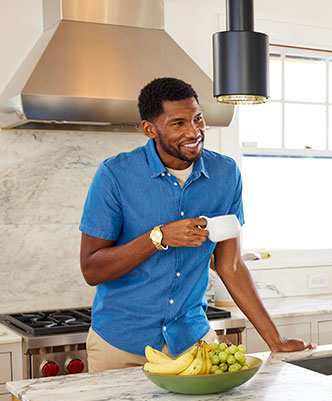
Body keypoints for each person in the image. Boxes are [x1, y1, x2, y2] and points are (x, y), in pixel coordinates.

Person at [79, 77, 314, 372]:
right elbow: (92, 269)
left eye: (198, 119)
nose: (194, 131)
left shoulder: (225, 174)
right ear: (150, 129)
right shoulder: (115, 175)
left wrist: (275, 339)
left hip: (193, 341)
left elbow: (231, 265)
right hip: (121, 343)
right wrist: (158, 237)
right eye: (178, 123)